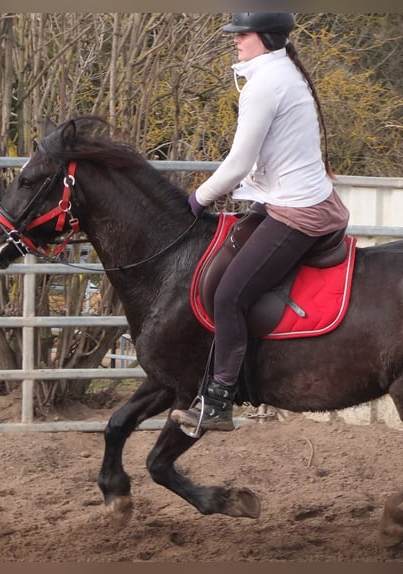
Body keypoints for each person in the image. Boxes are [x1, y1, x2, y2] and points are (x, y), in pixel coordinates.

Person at [170, 12, 350, 434]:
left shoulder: (266, 84)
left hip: (296, 209)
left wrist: (195, 200)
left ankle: (219, 401)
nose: (235, 41)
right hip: (283, 199)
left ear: (265, 38)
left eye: (242, 34)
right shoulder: (279, 72)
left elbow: (238, 164)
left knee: (230, 295)